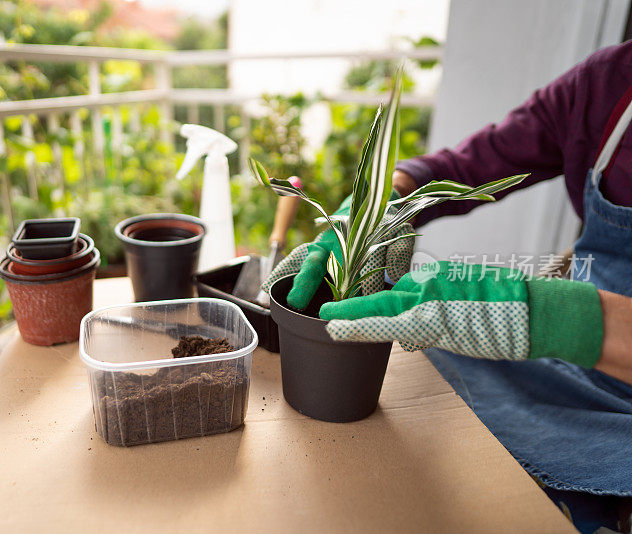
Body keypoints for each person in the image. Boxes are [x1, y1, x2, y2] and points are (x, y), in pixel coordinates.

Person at [266, 41, 632, 533]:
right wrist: (382, 203)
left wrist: (554, 317)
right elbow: (470, 163)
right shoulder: (610, 81)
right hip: (574, 365)